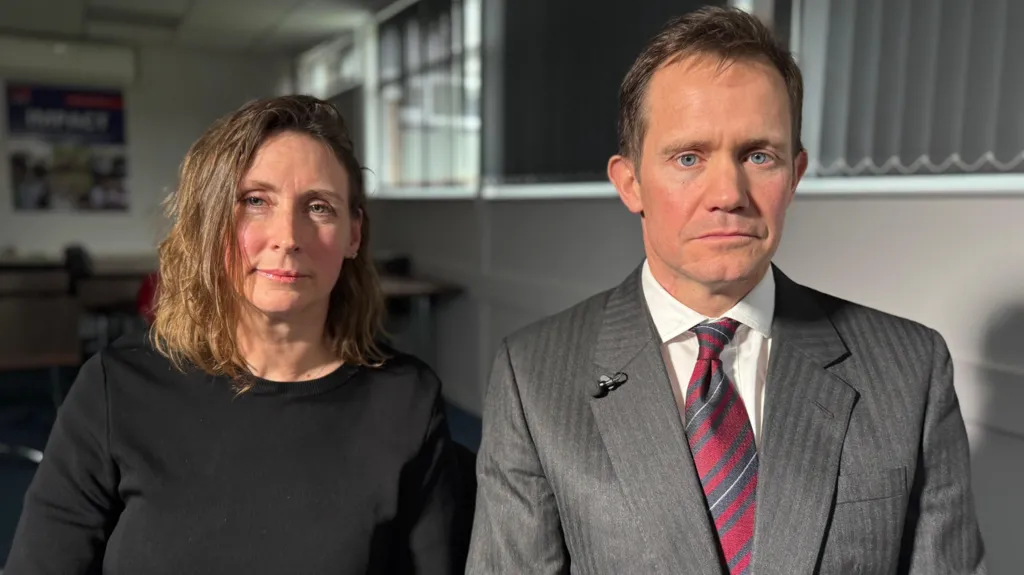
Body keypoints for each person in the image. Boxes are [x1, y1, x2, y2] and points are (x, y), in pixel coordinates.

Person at [466, 7, 986, 575]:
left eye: (758, 156)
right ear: (630, 182)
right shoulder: (533, 377)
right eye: (689, 158)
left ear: (794, 175)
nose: (728, 194)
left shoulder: (910, 368)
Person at [7, 95, 468, 574]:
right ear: (209, 223)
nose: (287, 235)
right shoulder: (113, 390)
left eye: (318, 206)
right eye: (254, 201)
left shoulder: (406, 401)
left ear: (353, 234)